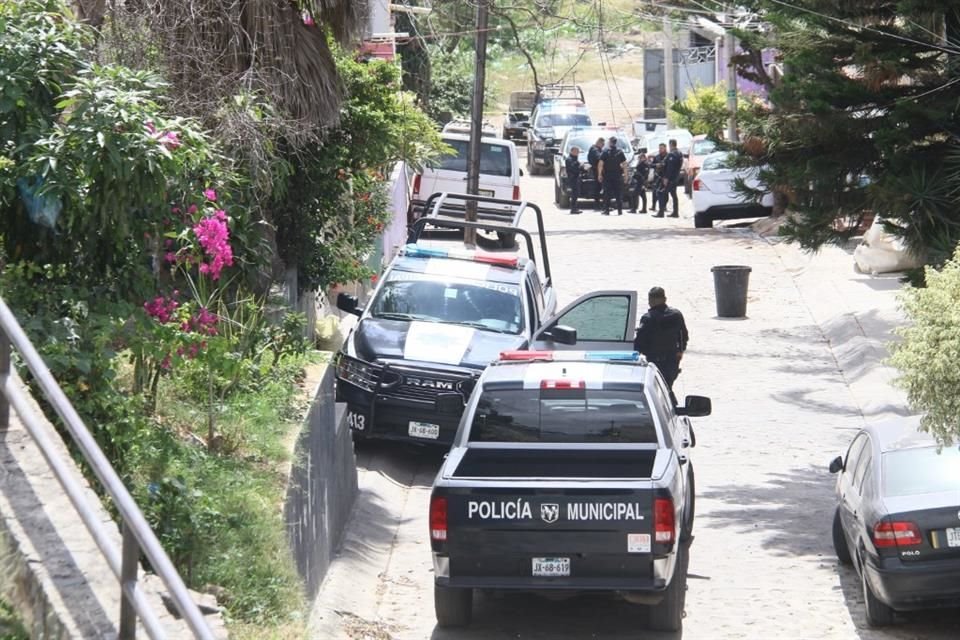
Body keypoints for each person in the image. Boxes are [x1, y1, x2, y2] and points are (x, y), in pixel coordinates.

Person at [633, 286, 689, 403]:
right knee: (667, 388)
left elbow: (639, 343)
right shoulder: (676, 315)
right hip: (672, 362)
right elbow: (684, 336)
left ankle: (669, 411)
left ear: (650, 301)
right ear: (665, 299)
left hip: (655, 362)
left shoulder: (648, 318)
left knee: (657, 392)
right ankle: (671, 408)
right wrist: (679, 352)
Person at [598, 136, 626, 215]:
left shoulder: (605, 151)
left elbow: (601, 164)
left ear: (610, 142)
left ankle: (606, 210)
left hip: (607, 176)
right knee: (618, 193)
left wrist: (599, 174)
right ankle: (619, 210)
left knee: (607, 193)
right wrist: (626, 175)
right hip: (617, 176)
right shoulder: (620, 152)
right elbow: (624, 164)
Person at [657, 138, 683, 218]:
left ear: (671, 144)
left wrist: (666, 178)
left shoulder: (672, 154)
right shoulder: (679, 153)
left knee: (660, 193)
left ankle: (661, 212)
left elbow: (670, 168)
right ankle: (675, 212)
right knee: (673, 195)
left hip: (670, 179)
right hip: (675, 177)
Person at [650, 143, 669, 217]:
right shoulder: (657, 157)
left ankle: (664, 207)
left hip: (665, 177)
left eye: (662, 148)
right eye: (659, 148)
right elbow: (651, 165)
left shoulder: (668, 156)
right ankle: (654, 205)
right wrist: (656, 165)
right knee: (655, 192)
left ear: (665, 148)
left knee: (665, 193)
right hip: (657, 176)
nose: (660, 149)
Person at [565, 146, 584, 214]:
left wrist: (583, 168)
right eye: (576, 151)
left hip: (576, 178)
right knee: (574, 194)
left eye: (578, 151)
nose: (578, 153)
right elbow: (573, 168)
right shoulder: (569, 159)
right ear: (572, 151)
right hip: (573, 179)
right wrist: (580, 166)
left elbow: (578, 168)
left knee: (576, 194)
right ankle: (573, 209)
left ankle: (575, 208)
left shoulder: (575, 159)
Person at [587, 137, 605, 206]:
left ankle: (599, 202)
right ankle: (598, 203)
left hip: (598, 170)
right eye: (602, 144)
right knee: (598, 187)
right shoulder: (594, 149)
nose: (603, 145)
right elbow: (599, 158)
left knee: (599, 186)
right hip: (597, 170)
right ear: (599, 142)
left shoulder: (596, 149)